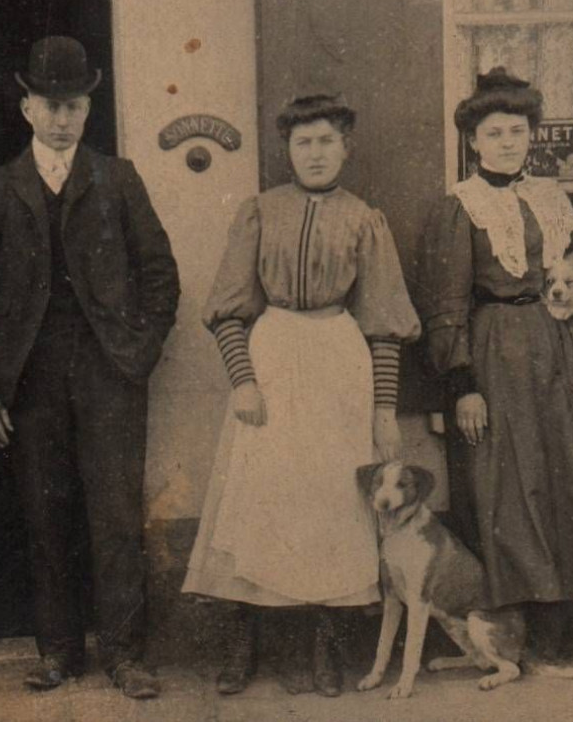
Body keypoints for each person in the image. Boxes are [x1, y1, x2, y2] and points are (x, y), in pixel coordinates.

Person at [0, 36, 180, 700]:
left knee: (113, 515)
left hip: (110, 373)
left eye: (74, 105)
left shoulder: (118, 178)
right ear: (26, 108)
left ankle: (124, 654)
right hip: (30, 381)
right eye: (50, 105)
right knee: (45, 516)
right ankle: (57, 651)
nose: (62, 118)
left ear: (88, 108)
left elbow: (161, 277)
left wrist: (136, 355)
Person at [183, 94, 419, 698]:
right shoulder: (260, 212)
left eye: (326, 141)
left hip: (340, 363)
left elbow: (384, 323)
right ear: (287, 150)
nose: (315, 154)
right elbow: (227, 309)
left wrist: (383, 409)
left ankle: (323, 651)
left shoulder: (365, 220)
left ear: (346, 147)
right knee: (260, 497)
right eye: (302, 143)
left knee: (329, 503)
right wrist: (243, 380)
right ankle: (245, 648)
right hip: (273, 358)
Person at [413, 68, 573, 659]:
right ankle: (514, 619)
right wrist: (462, 388)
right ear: (473, 142)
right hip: (492, 348)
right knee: (505, 481)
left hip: (552, 348)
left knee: (561, 474)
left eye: (518, 131)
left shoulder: (550, 198)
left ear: (532, 136)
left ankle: (565, 614)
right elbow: (444, 304)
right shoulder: (459, 207)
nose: (507, 141)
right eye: (494, 132)